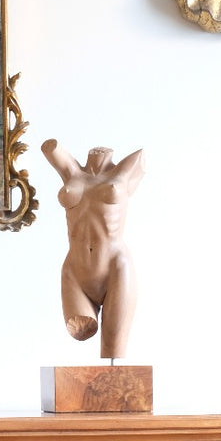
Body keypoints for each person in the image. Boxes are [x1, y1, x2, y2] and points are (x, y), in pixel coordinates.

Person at [41, 139, 145, 362]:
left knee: (114, 350)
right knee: (81, 328)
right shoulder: (71, 172)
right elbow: (50, 147)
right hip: (75, 271)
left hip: (115, 268)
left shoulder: (128, 168)